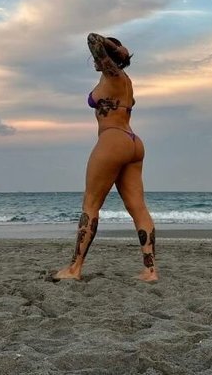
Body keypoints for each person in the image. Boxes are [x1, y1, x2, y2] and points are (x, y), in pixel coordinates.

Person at [53, 33, 158, 282]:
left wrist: (118, 50)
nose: (94, 60)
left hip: (113, 140)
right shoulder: (124, 80)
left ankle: (74, 269)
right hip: (133, 142)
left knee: (90, 204)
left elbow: (93, 39)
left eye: (99, 58)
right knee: (138, 208)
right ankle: (150, 271)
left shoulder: (114, 74)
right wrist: (118, 53)